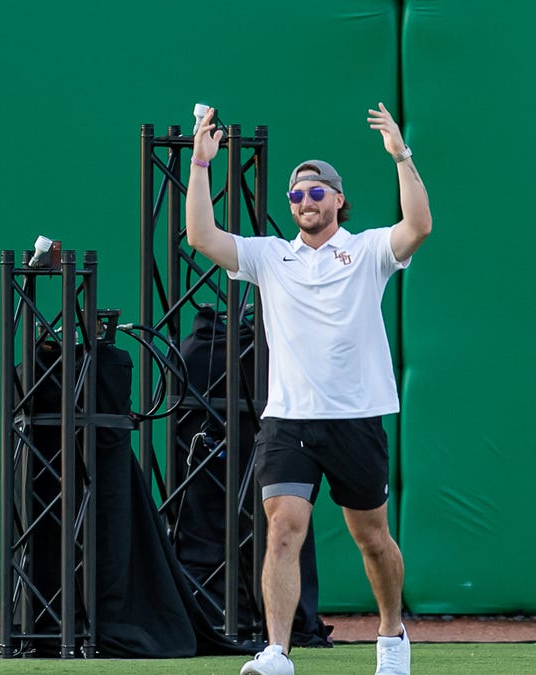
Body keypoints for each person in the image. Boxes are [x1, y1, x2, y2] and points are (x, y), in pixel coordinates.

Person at [185, 103, 432, 675]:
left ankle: (392, 637)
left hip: (356, 417)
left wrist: (402, 156)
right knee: (283, 530)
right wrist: (201, 163)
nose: (306, 202)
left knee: (372, 540)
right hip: (288, 420)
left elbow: (418, 226)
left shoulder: (369, 250)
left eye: (317, 192)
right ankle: (276, 652)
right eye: (296, 196)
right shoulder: (271, 257)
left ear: (339, 200)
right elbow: (201, 235)